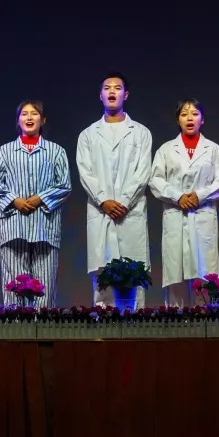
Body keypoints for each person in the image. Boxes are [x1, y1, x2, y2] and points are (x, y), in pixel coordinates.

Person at [76, 73, 153, 307]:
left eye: (117, 88)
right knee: (103, 274)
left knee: (134, 273)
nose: (112, 91)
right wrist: (104, 201)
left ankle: (135, 322)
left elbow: (142, 172)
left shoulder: (141, 133)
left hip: (130, 212)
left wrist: (124, 202)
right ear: (100, 95)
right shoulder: (88, 135)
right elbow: (85, 172)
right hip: (101, 212)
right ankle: (103, 321)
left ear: (125, 95)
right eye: (107, 88)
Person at [0, 101, 71, 307]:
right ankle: (15, 324)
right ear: (18, 121)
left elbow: (64, 185)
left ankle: (43, 324)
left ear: (43, 120)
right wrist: (14, 200)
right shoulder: (4, 152)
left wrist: (40, 198)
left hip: (45, 225)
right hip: (12, 225)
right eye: (24, 114)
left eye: (34, 113)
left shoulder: (56, 151)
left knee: (45, 283)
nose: (29, 117)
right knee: (14, 282)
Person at [149, 99, 219, 307]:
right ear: (178, 120)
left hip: (203, 215)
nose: (189, 118)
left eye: (194, 114)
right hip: (175, 215)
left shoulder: (213, 150)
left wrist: (199, 195)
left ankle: (206, 321)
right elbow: (156, 180)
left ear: (202, 120)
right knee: (175, 274)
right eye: (184, 114)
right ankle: (176, 321)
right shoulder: (166, 150)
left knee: (205, 275)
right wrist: (178, 197)